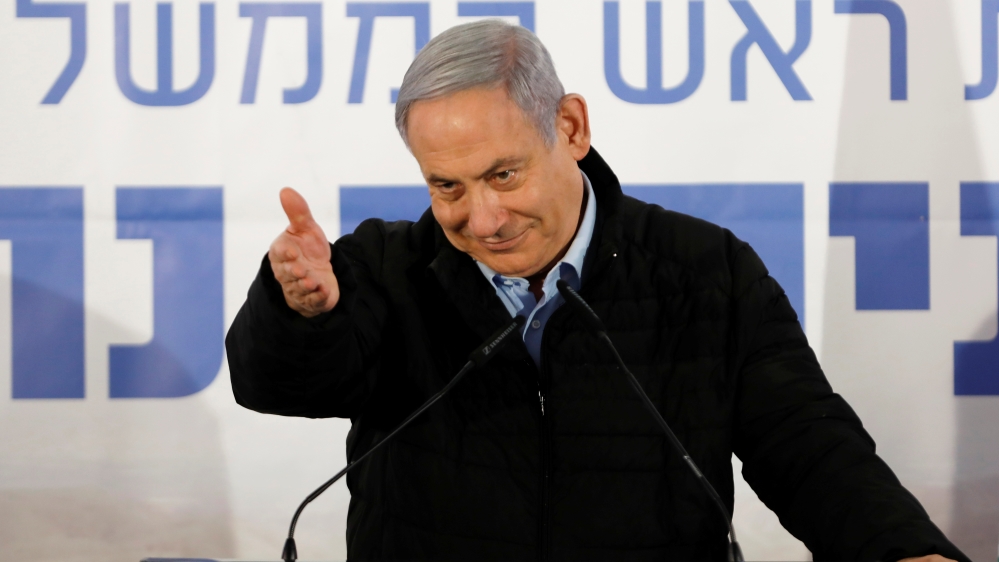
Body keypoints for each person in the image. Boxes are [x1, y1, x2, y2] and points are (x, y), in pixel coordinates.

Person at [226, 20, 968, 562]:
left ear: (571, 127)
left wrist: (901, 550)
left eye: (503, 175)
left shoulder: (706, 269)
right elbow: (277, 383)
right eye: (446, 186)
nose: (481, 219)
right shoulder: (382, 267)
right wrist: (300, 312)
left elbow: (807, 447)